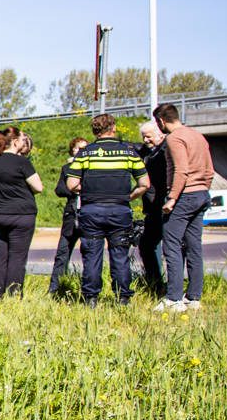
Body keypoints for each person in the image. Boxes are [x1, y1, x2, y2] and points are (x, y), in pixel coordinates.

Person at [63, 114, 149, 305]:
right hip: (119, 210)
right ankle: (123, 297)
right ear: (114, 128)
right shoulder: (128, 152)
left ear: (94, 131)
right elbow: (144, 183)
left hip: (91, 210)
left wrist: (88, 191)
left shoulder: (85, 153)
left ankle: (91, 298)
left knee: (92, 255)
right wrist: (129, 196)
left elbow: (71, 184)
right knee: (120, 255)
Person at [154, 102, 215, 311]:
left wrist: (172, 198)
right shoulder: (198, 136)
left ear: (161, 120)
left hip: (183, 197)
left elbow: (181, 170)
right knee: (194, 246)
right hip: (201, 194)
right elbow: (209, 170)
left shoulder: (175, 138)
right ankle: (194, 297)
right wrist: (203, 189)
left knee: (171, 244)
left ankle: (173, 299)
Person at [0, 127, 40, 297]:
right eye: (22, 139)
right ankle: (13, 293)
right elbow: (38, 187)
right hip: (20, 215)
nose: (24, 142)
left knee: (1, 254)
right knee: (17, 256)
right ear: (15, 142)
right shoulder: (22, 163)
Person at [49, 136, 87, 296]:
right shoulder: (67, 168)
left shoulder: (92, 168)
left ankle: (88, 287)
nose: (80, 151)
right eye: (77, 148)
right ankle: (55, 288)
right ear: (72, 150)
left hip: (87, 214)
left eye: (84, 148)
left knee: (89, 252)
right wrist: (74, 189)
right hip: (71, 215)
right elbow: (59, 189)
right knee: (62, 252)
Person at [136, 121, 170, 295]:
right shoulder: (149, 151)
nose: (145, 140)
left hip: (164, 205)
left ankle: (171, 288)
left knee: (171, 247)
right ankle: (156, 283)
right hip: (152, 207)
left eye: (149, 136)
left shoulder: (166, 151)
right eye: (143, 137)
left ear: (161, 134)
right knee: (147, 244)